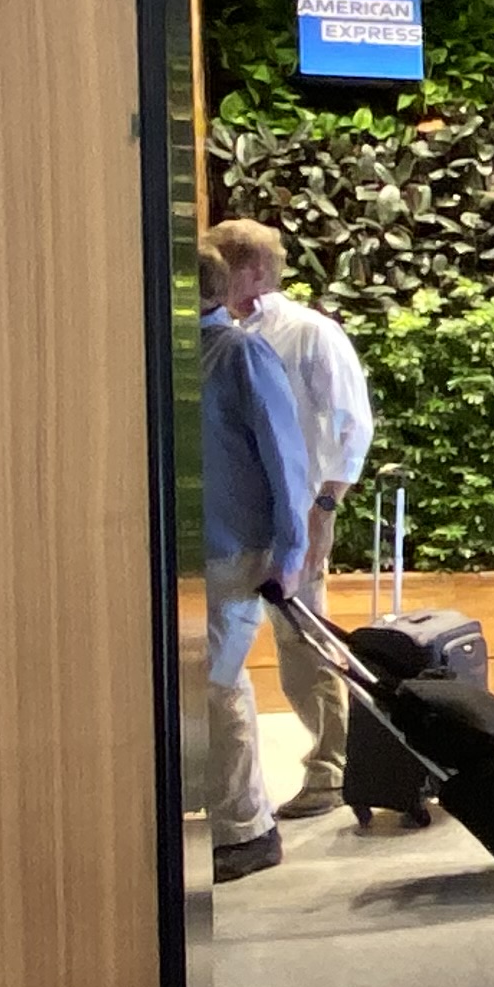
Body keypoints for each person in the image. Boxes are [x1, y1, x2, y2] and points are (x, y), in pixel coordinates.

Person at [205, 219, 377, 820]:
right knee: (242, 655)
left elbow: (351, 425)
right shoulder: (221, 334)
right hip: (241, 518)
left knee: (302, 643)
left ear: (248, 269)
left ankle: (333, 767)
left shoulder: (307, 333)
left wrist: (323, 508)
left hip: (296, 511)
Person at [196, 238, 312, 884]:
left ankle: (247, 829)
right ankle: (232, 819)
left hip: (236, 554)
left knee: (216, 687)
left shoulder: (240, 354)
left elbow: (286, 458)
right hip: (192, 557)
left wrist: (290, 554)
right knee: (208, 690)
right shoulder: (172, 356)